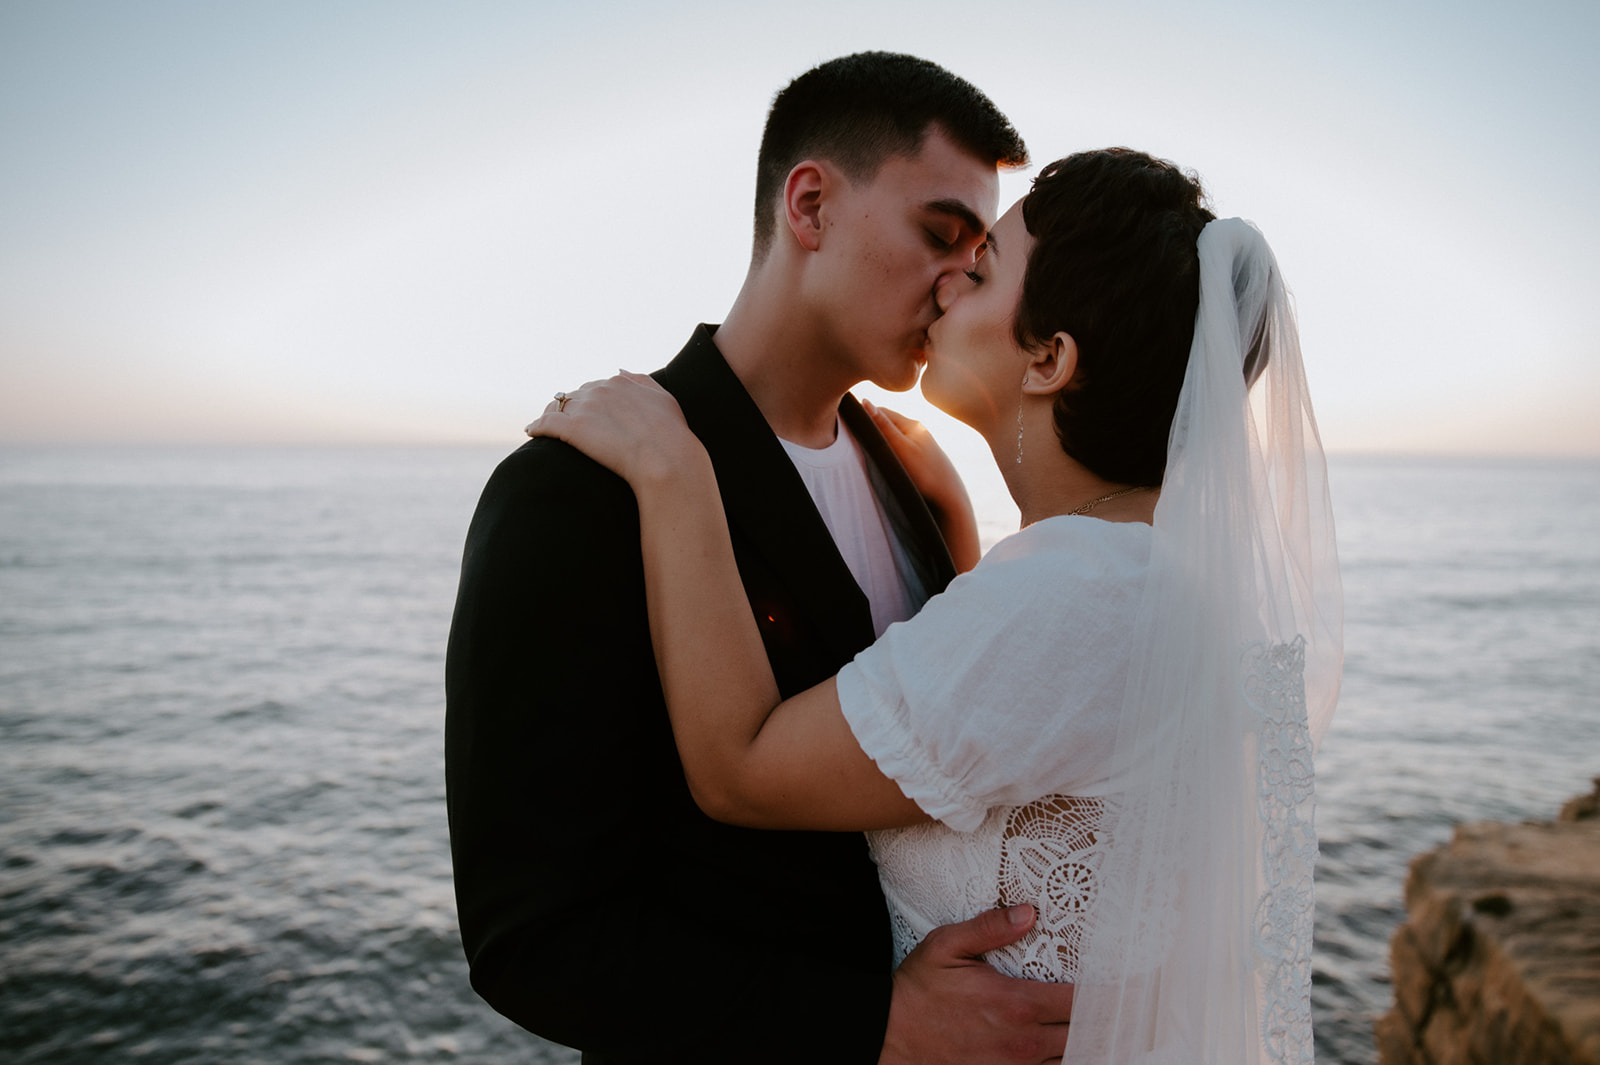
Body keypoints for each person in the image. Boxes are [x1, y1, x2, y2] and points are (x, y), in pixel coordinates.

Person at [527, 148, 1344, 1062]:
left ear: (1047, 358)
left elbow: (740, 766)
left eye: (983, 268)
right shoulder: (1146, 575)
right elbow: (1011, 736)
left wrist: (675, 475)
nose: (951, 281)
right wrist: (948, 511)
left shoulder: (1070, 594)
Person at [445, 52, 1082, 1064]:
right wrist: (879, 1024)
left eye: (976, 257)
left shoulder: (916, 479)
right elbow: (531, 937)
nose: (957, 281)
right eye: (938, 234)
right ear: (811, 205)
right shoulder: (577, 493)